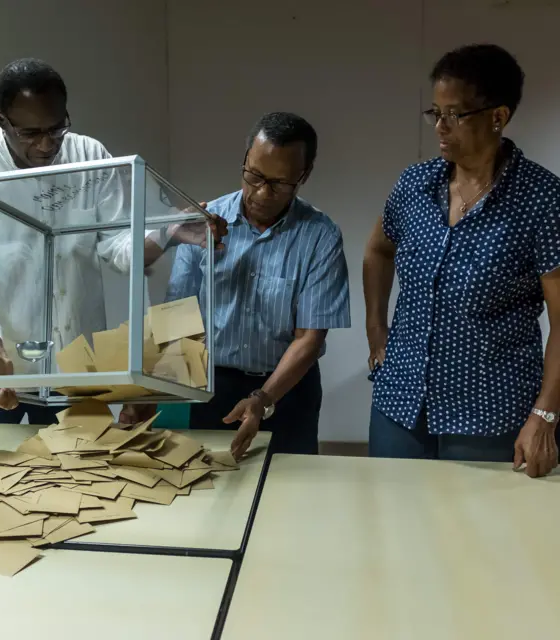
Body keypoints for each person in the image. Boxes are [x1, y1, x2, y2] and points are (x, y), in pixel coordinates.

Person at [0, 58, 226, 425]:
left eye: (57, 129)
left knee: (78, 477)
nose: (46, 144)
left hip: (71, 369)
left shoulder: (90, 157)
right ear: (1, 119)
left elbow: (119, 248)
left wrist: (168, 233)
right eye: (30, 133)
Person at [363, 44, 560, 477]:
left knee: (477, 540)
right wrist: (377, 333)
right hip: (400, 405)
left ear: (498, 116)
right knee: (391, 527)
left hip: (490, 415)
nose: (440, 127)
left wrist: (545, 415)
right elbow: (378, 249)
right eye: (435, 113)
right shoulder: (416, 184)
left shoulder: (542, 200)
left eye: (454, 115)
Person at [134, 112, 350, 458]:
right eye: (254, 176)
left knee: (290, 488)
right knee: (212, 484)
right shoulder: (205, 223)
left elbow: (309, 340)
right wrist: (148, 395)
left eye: (279, 183)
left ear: (303, 176)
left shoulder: (320, 236)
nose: (262, 193)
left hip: (288, 388)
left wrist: (263, 399)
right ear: (245, 160)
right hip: (214, 385)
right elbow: (176, 317)